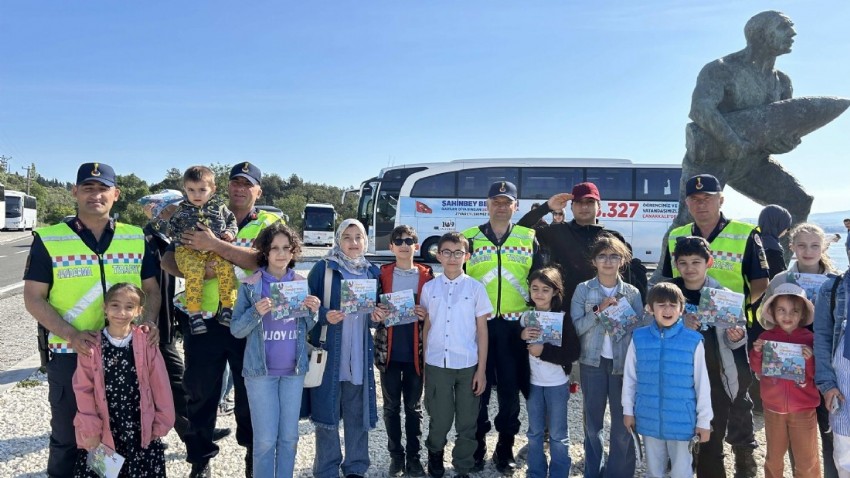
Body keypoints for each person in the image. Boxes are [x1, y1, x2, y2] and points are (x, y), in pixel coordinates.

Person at [23, 162, 161, 478]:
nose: (95, 195)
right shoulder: (50, 239)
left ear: (116, 194)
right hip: (72, 356)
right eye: (88, 188)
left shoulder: (135, 238)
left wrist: (149, 321)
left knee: (114, 436)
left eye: (102, 189)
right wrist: (70, 334)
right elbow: (33, 297)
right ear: (75, 192)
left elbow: (152, 291)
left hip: (125, 355)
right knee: (70, 436)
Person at [162, 161, 280, 478]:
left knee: (251, 393)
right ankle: (200, 459)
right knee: (199, 392)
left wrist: (214, 245)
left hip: (250, 321)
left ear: (258, 190)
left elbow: (262, 262)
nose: (239, 189)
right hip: (204, 319)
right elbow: (168, 259)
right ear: (224, 187)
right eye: (234, 183)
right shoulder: (200, 213)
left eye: (247, 184)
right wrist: (196, 269)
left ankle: (253, 457)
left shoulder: (269, 223)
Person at [660, 173, 768, 477]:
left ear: (720, 199)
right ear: (687, 203)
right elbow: (669, 279)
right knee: (697, 395)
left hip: (730, 332)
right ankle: (703, 456)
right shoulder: (676, 234)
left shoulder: (744, 233)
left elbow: (761, 282)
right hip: (690, 330)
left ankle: (745, 457)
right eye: (695, 199)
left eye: (707, 197)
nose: (701, 203)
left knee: (737, 396)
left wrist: (731, 309)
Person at [677, 11, 812, 228]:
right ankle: (671, 262)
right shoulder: (721, 69)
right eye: (783, 27)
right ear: (759, 33)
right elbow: (700, 109)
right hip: (710, 159)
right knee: (688, 221)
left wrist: (786, 144)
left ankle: (771, 259)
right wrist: (732, 141)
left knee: (797, 202)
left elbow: (783, 126)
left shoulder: (783, 82)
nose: (793, 33)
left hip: (752, 162)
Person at [462, 180, 542, 473]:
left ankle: (504, 450)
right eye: (495, 200)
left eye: (506, 202)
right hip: (477, 327)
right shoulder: (469, 238)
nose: (501, 206)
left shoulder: (528, 237)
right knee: (477, 392)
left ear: (515, 206)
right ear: (487, 203)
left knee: (509, 394)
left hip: (513, 329)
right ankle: (476, 449)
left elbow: (540, 281)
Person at [230, 222, 320, 477]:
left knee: (290, 438)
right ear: (265, 253)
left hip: (293, 371)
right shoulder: (251, 285)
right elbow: (237, 329)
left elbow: (307, 326)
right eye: (274, 248)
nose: (281, 254)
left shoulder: (300, 282)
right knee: (265, 440)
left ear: (293, 251)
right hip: (260, 373)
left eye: (286, 248)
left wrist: (313, 310)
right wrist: (254, 312)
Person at [72, 283, 175, 477]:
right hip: (105, 426)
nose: (121, 312)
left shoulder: (147, 343)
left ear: (138, 311)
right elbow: (83, 389)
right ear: (105, 307)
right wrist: (90, 427)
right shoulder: (91, 346)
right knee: (104, 473)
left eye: (129, 307)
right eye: (115, 306)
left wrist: (162, 420)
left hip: (139, 424)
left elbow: (160, 385)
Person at [668, 236, 750, 478]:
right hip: (677, 379)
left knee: (711, 443)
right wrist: (677, 324)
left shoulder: (723, 295)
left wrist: (737, 337)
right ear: (676, 264)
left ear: (709, 262)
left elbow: (738, 334)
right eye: (683, 262)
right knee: (678, 445)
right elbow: (649, 327)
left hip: (714, 379)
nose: (690, 268)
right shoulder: (667, 293)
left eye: (696, 262)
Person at [306, 219, 381, 478]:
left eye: (358, 237)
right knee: (326, 412)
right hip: (330, 353)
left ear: (365, 240)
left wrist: (377, 316)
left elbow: (372, 315)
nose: (353, 242)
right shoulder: (323, 269)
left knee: (357, 414)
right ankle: (326, 469)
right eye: (347, 237)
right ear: (338, 240)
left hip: (359, 354)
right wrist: (325, 314)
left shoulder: (372, 272)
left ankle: (356, 468)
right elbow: (307, 306)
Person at [571, 235, 647, 478]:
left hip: (622, 365)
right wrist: (599, 311)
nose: (608, 261)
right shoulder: (583, 290)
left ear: (622, 260)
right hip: (591, 363)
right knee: (592, 425)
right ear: (593, 261)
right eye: (602, 256)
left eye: (614, 256)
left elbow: (637, 332)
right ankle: (593, 472)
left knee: (623, 425)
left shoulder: (632, 293)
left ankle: (619, 473)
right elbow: (576, 328)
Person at [420, 232, 491, 478]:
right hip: (437, 364)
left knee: (467, 421)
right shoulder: (429, 288)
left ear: (467, 256)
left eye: (458, 252)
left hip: (468, 364)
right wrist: (425, 365)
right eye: (447, 252)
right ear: (438, 255)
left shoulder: (476, 288)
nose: (452, 257)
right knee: (439, 418)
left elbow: (482, 331)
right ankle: (435, 455)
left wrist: (481, 370)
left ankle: (463, 465)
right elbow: (427, 327)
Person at [622, 282, 712, 478]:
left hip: (682, 421)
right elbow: (630, 378)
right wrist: (628, 410)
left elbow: (702, 384)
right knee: (653, 471)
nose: (667, 309)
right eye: (661, 304)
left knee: (682, 472)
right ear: (650, 308)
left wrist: (704, 420)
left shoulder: (693, 340)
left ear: (681, 309)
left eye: (673, 305)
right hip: (648, 417)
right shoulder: (639, 338)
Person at [371, 225, 434, 477]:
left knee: (413, 408)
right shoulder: (381, 274)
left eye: (409, 240)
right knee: (390, 408)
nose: (404, 244)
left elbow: (437, 312)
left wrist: (426, 314)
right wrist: (377, 313)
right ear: (391, 247)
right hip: (388, 352)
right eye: (399, 240)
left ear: (416, 246)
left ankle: (414, 458)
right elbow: (371, 309)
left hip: (416, 353)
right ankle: (396, 456)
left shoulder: (427, 276)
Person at [518, 182, 638, 309]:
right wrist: (547, 207)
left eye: (590, 202)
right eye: (579, 202)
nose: (584, 206)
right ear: (571, 207)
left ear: (599, 207)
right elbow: (520, 230)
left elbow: (626, 280)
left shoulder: (613, 238)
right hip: (563, 311)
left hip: (603, 311)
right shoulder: (556, 232)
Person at [750, 283, 820, 477]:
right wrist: (756, 352)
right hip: (773, 410)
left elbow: (817, 375)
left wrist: (810, 359)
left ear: (803, 314)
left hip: (804, 410)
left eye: (794, 311)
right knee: (773, 458)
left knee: (807, 460)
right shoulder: (765, 338)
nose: (787, 316)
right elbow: (757, 369)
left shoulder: (810, 339)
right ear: (772, 311)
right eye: (782, 310)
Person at [519, 267, 581, 478]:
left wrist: (543, 351)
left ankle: (559, 473)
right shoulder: (525, 318)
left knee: (557, 434)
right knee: (535, 433)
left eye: (545, 289)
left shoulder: (563, 318)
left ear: (555, 292)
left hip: (557, 383)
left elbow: (572, 352)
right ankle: (535, 472)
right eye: (534, 288)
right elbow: (514, 352)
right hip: (533, 384)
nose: (539, 293)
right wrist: (521, 336)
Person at [169, 165, 239, 335]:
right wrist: (182, 239)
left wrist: (230, 233)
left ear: (213, 189)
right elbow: (170, 229)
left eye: (202, 189)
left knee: (225, 266)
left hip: (214, 251)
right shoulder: (181, 210)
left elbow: (231, 221)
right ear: (184, 189)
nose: (197, 195)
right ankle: (194, 314)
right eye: (191, 190)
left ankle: (228, 308)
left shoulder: (220, 207)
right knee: (194, 271)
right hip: (188, 252)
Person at [814, 270, 850, 476]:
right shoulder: (831, 289)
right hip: (843, 388)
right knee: (844, 457)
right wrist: (827, 384)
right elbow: (823, 337)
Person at [758, 204, 792, 280]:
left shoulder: (753, 241)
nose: (786, 231)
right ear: (777, 224)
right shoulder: (773, 249)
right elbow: (779, 280)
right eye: (787, 226)